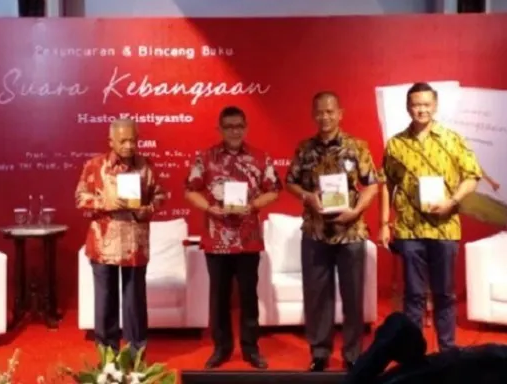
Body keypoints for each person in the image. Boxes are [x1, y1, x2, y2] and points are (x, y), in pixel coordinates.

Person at [379, 82, 482, 352]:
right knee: (412, 294)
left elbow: (472, 177)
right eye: (415, 105)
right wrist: (383, 223)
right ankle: (415, 355)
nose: (421, 110)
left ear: (435, 106)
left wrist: (452, 201)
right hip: (410, 229)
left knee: (445, 294)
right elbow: (386, 184)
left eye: (426, 104)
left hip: (445, 228)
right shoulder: (396, 144)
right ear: (407, 107)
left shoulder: (452, 139)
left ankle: (447, 353)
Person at [286, 92, 379, 371]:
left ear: (340, 113)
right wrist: (307, 197)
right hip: (315, 233)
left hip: (350, 232)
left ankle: (352, 355)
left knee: (353, 297)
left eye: (330, 112)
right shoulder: (304, 149)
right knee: (317, 296)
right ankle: (320, 353)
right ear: (313, 115)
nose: (325, 117)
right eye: (319, 112)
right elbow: (290, 182)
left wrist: (357, 210)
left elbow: (373, 183)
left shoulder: (356, 147)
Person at [184, 106, 282, 370]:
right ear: (220, 129)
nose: (234, 131)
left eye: (239, 126)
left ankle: (251, 349)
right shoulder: (206, 158)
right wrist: (209, 208)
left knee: (249, 297)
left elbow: (274, 190)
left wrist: (252, 206)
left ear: (246, 127)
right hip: (216, 240)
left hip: (248, 239)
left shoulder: (261, 157)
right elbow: (190, 190)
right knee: (219, 298)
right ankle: (221, 348)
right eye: (228, 126)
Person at [75, 119, 165, 357]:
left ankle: (136, 354)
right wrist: (105, 202)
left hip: (135, 244)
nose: (129, 145)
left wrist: (146, 209)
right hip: (104, 245)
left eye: (134, 140)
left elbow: (160, 196)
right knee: (105, 302)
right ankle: (107, 355)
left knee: (134, 302)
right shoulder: (94, 166)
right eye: (123, 140)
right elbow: (80, 198)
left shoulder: (146, 166)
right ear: (111, 141)